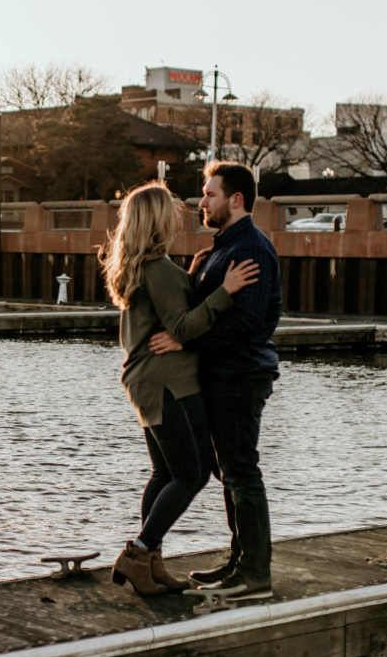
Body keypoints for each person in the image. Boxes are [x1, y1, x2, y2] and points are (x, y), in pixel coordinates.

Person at [100, 181, 259, 597]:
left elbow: (167, 310)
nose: (178, 216)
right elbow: (183, 325)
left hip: (145, 381)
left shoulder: (140, 268)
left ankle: (150, 566)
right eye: (170, 210)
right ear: (156, 219)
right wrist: (226, 291)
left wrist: (189, 276)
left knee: (166, 472)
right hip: (171, 382)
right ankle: (139, 552)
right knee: (192, 474)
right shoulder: (159, 270)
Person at [149, 161, 282, 602]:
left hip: (241, 374)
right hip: (222, 374)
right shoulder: (224, 247)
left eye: (210, 194)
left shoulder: (252, 250)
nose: (202, 202)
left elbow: (247, 324)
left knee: (241, 470)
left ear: (236, 199)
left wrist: (186, 344)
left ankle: (255, 573)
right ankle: (238, 561)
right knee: (228, 472)